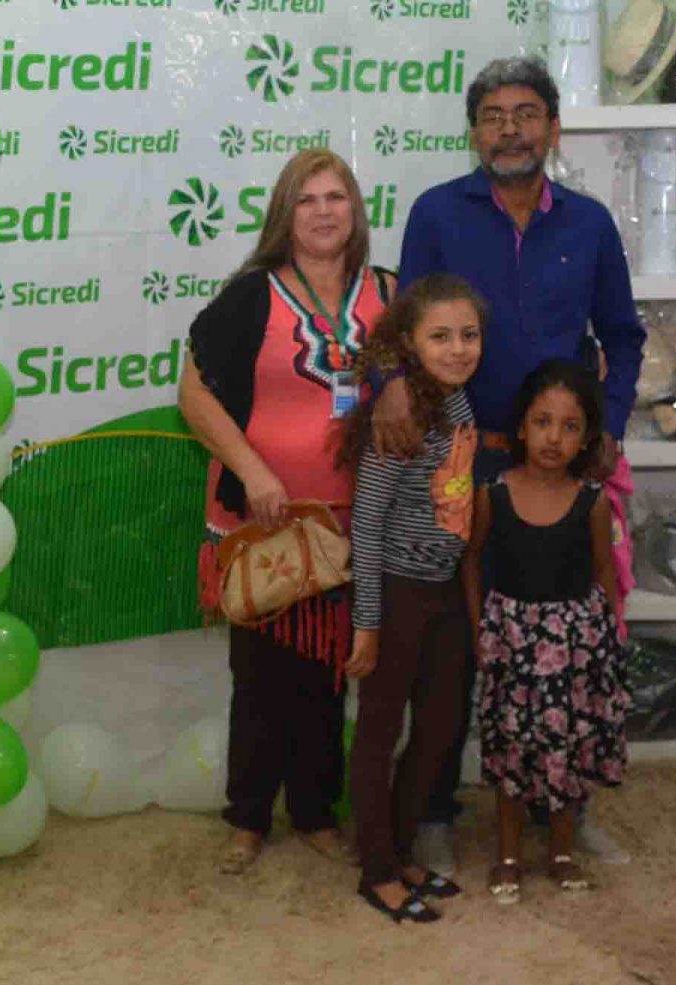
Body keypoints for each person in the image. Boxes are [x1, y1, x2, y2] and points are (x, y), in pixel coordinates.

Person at [373, 56, 644, 873]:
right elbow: (400, 327)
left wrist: (609, 426)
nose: (509, 130)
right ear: (474, 133)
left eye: (526, 114)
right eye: (492, 116)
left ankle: (568, 808)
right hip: (457, 464)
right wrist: (391, 384)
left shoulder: (590, 224)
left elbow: (623, 337)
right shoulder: (436, 213)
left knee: (567, 643)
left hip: (558, 472)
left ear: (553, 129)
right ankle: (434, 811)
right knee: (456, 647)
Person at [178, 149, 395, 874]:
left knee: (329, 673)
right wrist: (252, 471)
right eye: (307, 199)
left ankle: (314, 811)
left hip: (347, 523)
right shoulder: (253, 295)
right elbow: (193, 395)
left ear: (355, 209)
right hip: (263, 518)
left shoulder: (389, 294)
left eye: (336, 196)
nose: (324, 211)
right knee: (260, 675)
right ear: (284, 214)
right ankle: (247, 817)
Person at [337, 273, 485, 923]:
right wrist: (368, 624)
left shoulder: (460, 403)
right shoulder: (399, 420)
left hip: (444, 589)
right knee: (379, 731)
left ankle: (399, 850)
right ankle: (376, 870)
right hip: (397, 592)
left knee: (440, 725)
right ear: (409, 345)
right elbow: (367, 524)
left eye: (469, 335)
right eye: (440, 337)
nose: (457, 349)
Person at [462, 360, 629, 904]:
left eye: (570, 426)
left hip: (574, 648)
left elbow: (604, 572)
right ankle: (508, 854)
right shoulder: (493, 493)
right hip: (512, 640)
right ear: (521, 427)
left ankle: (561, 851)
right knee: (512, 748)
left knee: (566, 749)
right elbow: (472, 561)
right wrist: (479, 627)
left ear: (586, 438)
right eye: (542, 422)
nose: (554, 438)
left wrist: (608, 638)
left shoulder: (592, 501)